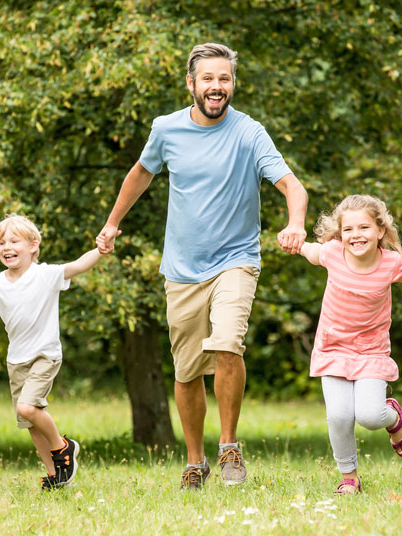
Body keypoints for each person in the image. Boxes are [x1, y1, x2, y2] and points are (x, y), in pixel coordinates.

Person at [95, 43, 308, 490]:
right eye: (208, 79)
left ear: (233, 84)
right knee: (187, 370)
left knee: (228, 343)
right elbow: (140, 173)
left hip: (237, 260)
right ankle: (195, 462)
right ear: (191, 84)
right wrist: (113, 223)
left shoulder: (250, 133)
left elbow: (292, 186)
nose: (217, 87)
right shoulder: (166, 129)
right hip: (182, 269)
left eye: (224, 79)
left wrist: (295, 224)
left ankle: (229, 446)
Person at [297, 194, 402, 494]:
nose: (356, 235)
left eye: (364, 228)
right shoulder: (332, 253)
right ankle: (349, 477)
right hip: (333, 349)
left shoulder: (391, 264)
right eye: (348, 229)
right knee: (338, 416)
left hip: (371, 352)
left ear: (380, 231)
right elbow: (309, 250)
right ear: (340, 233)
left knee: (371, 416)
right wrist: (294, 241)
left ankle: (393, 416)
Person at [0, 214, 110, 490]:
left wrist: (99, 250)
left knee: (27, 407)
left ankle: (64, 447)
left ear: (33, 246)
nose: (6, 247)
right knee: (29, 421)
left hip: (45, 354)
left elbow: (78, 266)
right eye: (1, 242)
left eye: (14, 241)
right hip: (16, 360)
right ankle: (56, 475)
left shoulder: (46, 275)